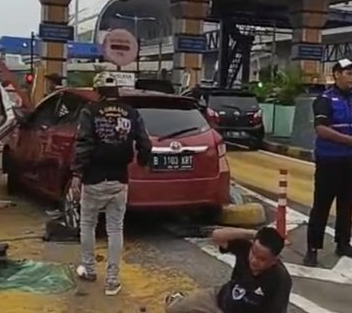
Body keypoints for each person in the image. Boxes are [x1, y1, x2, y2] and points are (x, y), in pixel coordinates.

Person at [71, 71, 152, 295]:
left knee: (88, 224)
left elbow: (84, 144)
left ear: (98, 91)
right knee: (115, 228)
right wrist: (143, 161)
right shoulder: (131, 113)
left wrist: (77, 174)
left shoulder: (90, 111)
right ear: (116, 90)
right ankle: (112, 281)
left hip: (93, 178)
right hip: (119, 178)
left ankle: (88, 269)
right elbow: (145, 143)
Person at [303, 59, 352, 267]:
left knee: (346, 204)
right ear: (336, 75)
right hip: (329, 160)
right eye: (348, 73)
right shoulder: (324, 100)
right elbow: (321, 129)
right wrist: (350, 140)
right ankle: (312, 249)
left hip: (351, 160)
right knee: (322, 205)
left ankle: (343, 243)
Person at [165, 226, 292, 313]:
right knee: (175, 309)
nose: (253, 260)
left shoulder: (280, 280)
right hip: (220, 298)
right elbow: (217, 236)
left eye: (261, 259)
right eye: (253, 253)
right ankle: (179, 298)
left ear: (274, 260)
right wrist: (252, 234)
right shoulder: (245, 248)